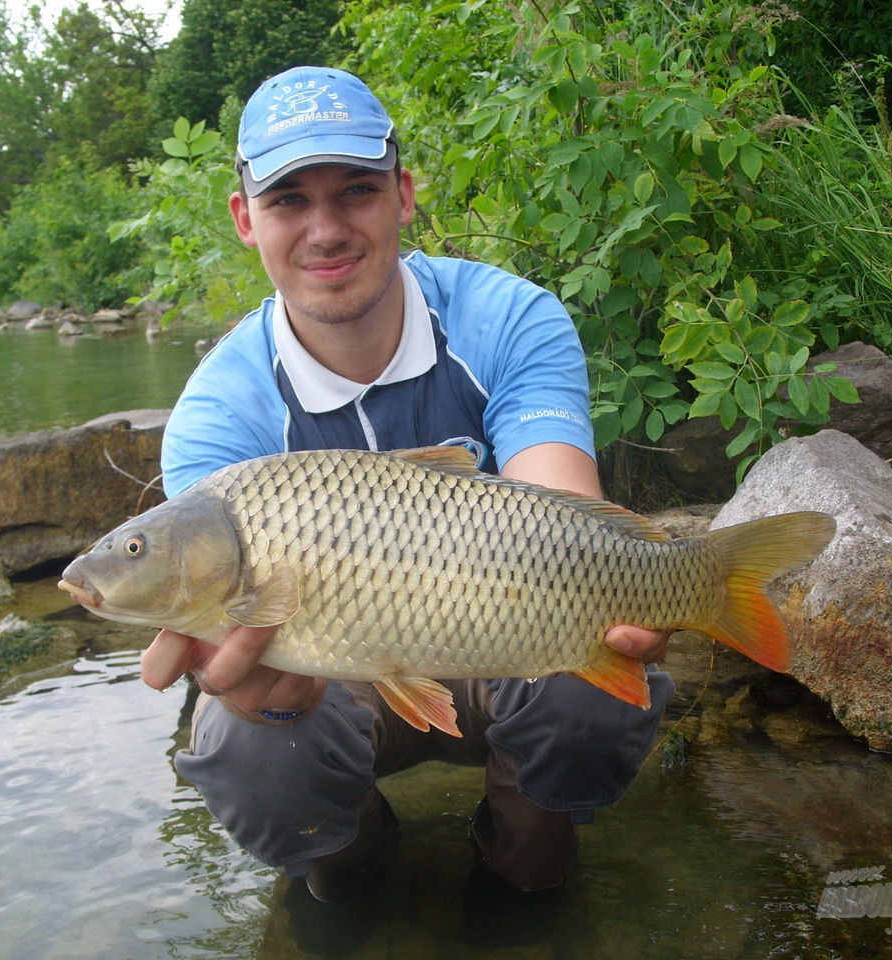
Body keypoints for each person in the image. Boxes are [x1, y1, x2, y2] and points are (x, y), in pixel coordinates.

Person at [141, 65, 674, 903]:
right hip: (328, 668)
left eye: (355, 190)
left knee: (589, 686)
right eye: (288, 201)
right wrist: (258, 698)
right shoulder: (219, 410)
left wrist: (645, 582)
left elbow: (560, 504)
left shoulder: (511, 317)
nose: (325, 230)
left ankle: (519, 878)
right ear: (247, 219)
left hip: (497, 633)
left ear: (403, 194)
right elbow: (232, 647)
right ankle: (354, 875)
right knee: (249, 746)